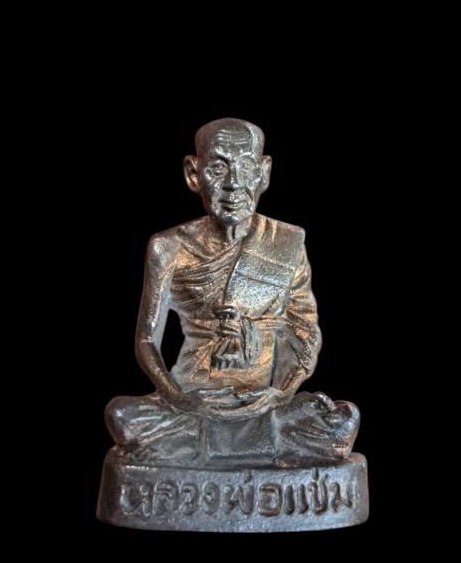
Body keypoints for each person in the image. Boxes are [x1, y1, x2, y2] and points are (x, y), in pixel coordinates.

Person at [105, 118, 359, 467]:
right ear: (193, 174)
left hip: (263, 402)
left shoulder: (287, 242)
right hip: (195, 401)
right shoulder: (168, 248)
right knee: (121, 416)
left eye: (246, 167)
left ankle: (211, 446)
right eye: (218, 169)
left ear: (264, 174)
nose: (233, 184)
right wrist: (180, 399)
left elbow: (304, 333)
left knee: (343, 421)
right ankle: (253, 444)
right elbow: (147, 341)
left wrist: (281, 393)